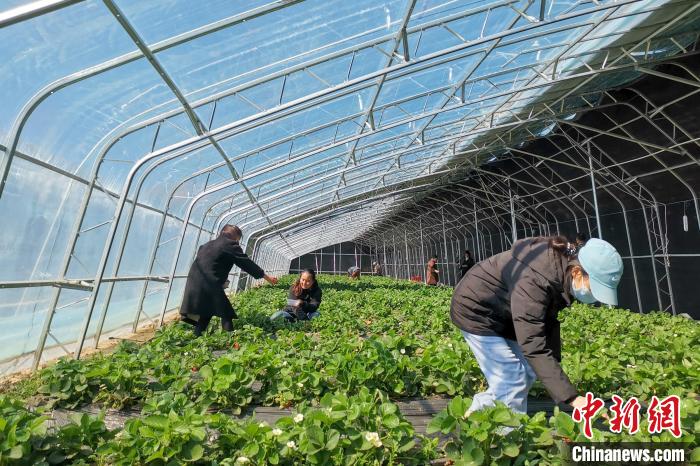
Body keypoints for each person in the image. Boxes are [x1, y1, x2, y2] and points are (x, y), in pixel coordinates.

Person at [450, 236, 623, 415]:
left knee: (529, 371)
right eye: (594, 288)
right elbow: (533, 345)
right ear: (578, 272)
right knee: (511, 378)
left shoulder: (564, 268)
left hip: (504, 313)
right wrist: (572, 398)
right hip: (475, 310)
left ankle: (478, 414)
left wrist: (553, 363)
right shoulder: (535, 279)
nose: (594, 296)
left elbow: (545, 319)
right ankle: (508, 431)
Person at [179, 225, 278, 336]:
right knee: (226, 312)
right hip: (209, 283)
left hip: (193, 282)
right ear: (235, 237)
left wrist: (222, 279)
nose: (238, 243)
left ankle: (197, 336)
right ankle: (229, 338)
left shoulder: (206, 245)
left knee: (207, 311)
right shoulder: (230, 245)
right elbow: (247, 264)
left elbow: (212, 265)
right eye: (238, 240)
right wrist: (267, 278)